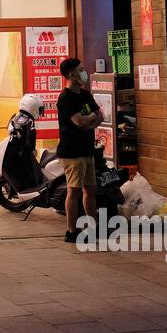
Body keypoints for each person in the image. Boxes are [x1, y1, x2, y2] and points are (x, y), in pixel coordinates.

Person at [57, 57, 103, 243]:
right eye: (81, 69)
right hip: (71, 152)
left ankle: (94, 227)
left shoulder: (85, 95)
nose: (84, 72)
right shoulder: (66, 98)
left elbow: (100, 115)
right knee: (74, 191)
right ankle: (71, 230)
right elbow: (79, 121)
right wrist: (89, 120)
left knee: (90, 190)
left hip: (87, 149)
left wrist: (89, 123)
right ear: (71, 74)